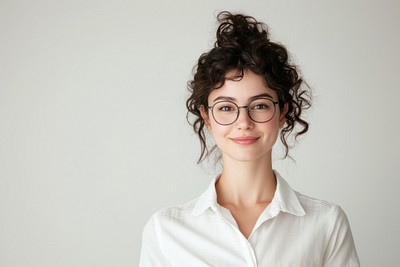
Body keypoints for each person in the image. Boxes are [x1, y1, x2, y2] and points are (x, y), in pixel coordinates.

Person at [139, 11, 360, 266]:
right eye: (226, 108)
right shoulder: (166, 232)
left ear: (282, 113)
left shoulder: (326, 223)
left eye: (260, 105)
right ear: (206, 117)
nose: (244, 123)